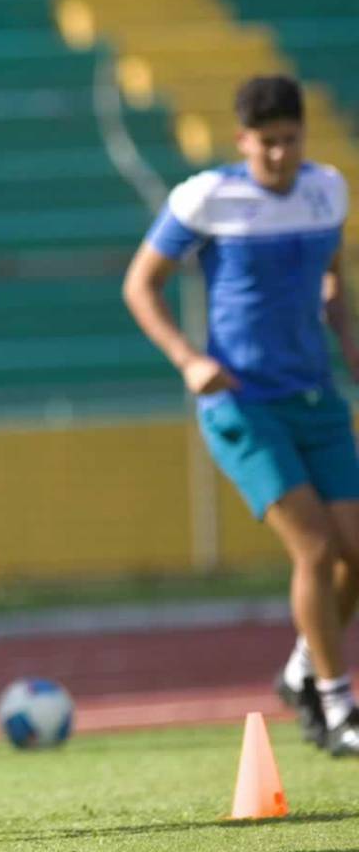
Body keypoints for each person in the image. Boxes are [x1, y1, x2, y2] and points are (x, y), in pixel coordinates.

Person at [123, 75, 359, 756]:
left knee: (355, 556)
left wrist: (345, 337)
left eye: (291, 141)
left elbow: (333, 274)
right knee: (315, 548)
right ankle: (338, 706)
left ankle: (299, 671)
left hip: (315, 398)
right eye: (268, 145)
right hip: (242, 405)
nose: (280, 156)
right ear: (242, 141)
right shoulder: (208, 197)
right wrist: (189, 360)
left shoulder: (328, 190)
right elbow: (141, 284)